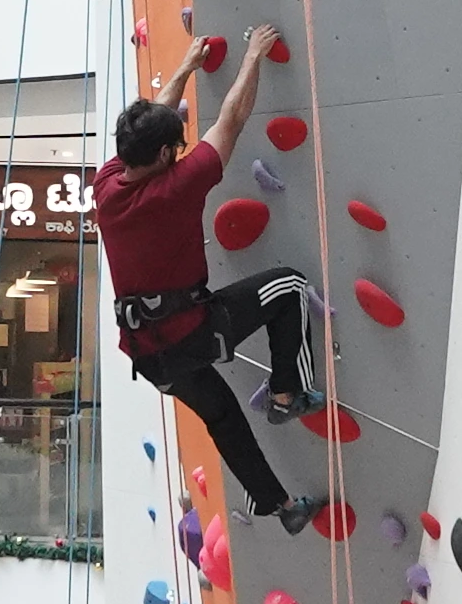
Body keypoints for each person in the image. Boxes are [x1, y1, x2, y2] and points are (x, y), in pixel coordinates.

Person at [99, 29, 318, 521]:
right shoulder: (178, 186)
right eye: (173, 146)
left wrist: (185, 67)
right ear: (163, 157)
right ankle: (287, 393)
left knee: (222, 416)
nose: (179, 150)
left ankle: (280, 505)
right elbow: (232, 119)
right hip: (192, 334)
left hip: (148, 355)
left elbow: (150, 126)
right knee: (290, 285)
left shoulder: (108, 185)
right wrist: (254, 54)